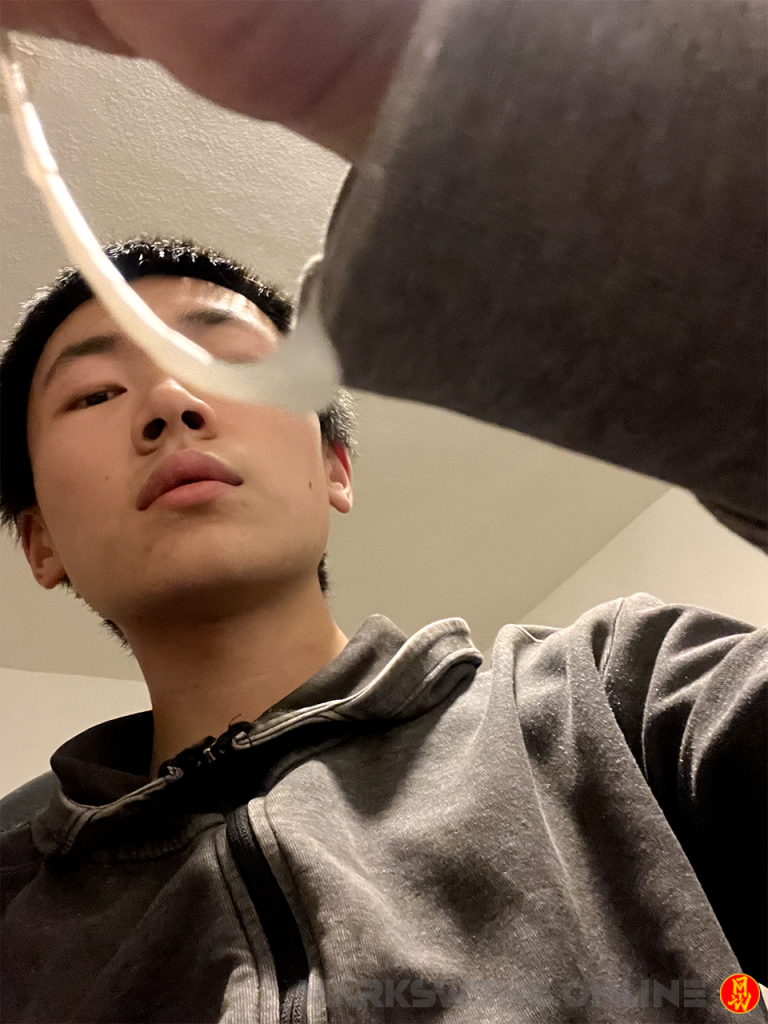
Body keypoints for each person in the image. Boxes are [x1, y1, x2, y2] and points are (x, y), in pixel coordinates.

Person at [0, 1, 767, 1021]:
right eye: (95, 394)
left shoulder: (620, 700)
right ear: (39, 540)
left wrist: (410, 70)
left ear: (334, 465)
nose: (172, 402)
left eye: (225, 361)